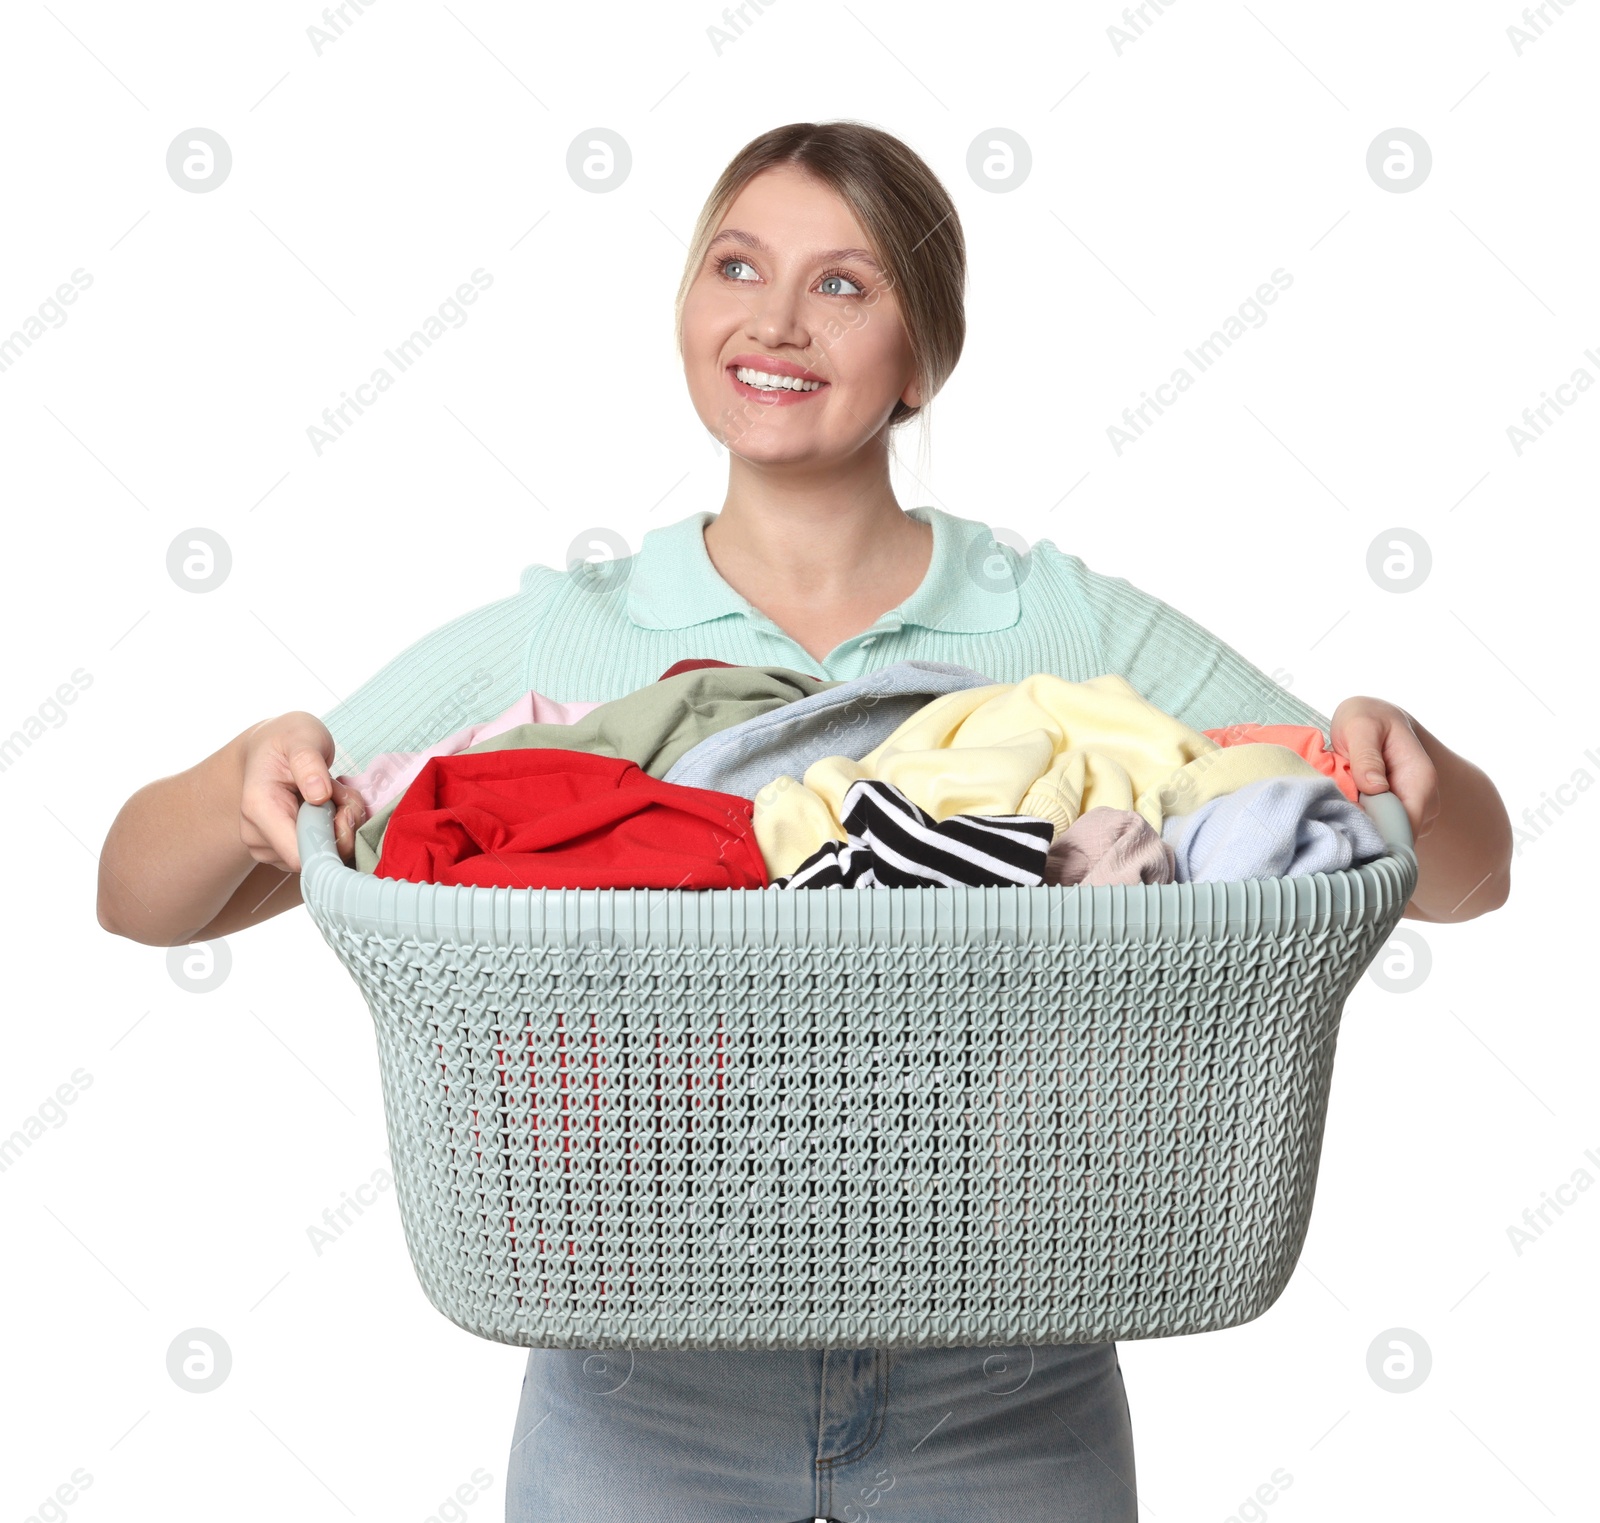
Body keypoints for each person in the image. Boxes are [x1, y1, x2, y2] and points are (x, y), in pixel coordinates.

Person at [98, 121, 1513, 1522]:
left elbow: (1454, 875)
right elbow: (144, 899)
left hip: (1009, 1371)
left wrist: (1405, 755)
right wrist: (249, 767)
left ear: (926, 355)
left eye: (844, 284)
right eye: (736, 265)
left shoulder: (1054, 624)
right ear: (685, 309)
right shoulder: (574, 640)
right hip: (638, 1382)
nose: (775, 320)